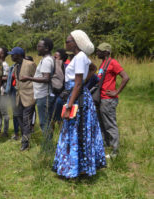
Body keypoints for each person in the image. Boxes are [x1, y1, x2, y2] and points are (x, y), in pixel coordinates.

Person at [52, 30, 106, 178]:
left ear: (76, 42)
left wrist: (69, 103)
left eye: (68, 40)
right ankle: (75, 166)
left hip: (78, 99)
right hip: (75, 96)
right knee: (73, 130)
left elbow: (76, 84)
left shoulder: (81, 57)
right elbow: (93, 68)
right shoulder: (79, 57)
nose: (66, 43)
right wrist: (82, 84)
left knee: (79, 130)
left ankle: (80, 168)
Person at [96, 42, 129, 158]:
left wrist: (117, 91)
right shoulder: (103, 63)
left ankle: (115, 152)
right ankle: (106, 146)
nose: (97, 52)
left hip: (108, 100)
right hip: (102, 99)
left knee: (110, 124)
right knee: (102, 123)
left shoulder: (113, 63)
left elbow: (125, 77)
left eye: (99, 50)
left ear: (106, 52)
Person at [21, 38, 55, 137]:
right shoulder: (45, 60)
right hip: (42, 95)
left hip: (44, 95)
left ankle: (48, 147)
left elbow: (46, 78)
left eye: (39, 46)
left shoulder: (47, 61)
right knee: (45, 122)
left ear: (46, 48)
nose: (37, 48)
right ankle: (48, 146)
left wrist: (29, 78)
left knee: (44, 123)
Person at [9, 47, 36, 151]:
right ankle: (25, 136)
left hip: (29, 96)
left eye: (13, 54)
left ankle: (25, 143)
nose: (11, 56)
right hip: (19, 97)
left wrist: (35, 96)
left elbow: (37, 79)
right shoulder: (16, 66)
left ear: (19, 55)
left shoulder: (30, 64)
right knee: (18, 116)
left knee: (27, 120)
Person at [0, 47, 10, 137]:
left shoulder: (5, 65)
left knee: (4, 112)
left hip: (3, 92)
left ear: (3, 54)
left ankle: (5, 131)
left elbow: (7, 77)